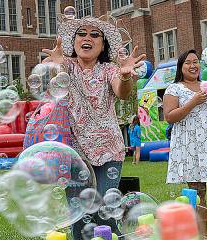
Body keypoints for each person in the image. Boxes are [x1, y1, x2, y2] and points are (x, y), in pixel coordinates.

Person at [41, 15, 146, 239]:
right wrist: (57, 65)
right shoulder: (66, 66)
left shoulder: (108, 69)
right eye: (82, 34)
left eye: (94, 34)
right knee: (79, 214)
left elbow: (122, 92)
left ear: (102, 45)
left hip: (108, 149)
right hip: (75, 151)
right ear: (74, 41)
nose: (87, 38)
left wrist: (125, 76)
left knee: (104, 211)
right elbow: (55, 80)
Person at [163, 49, 207, 239]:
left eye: (196, 61)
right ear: (181, 67)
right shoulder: (174, 89)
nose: (193, 66)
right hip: (189, 147)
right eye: (188, 63)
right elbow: (169, 117)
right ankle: (203, 236)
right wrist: (193, 101)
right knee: (198, 194)